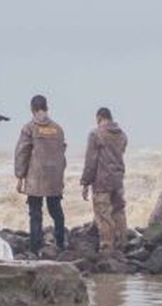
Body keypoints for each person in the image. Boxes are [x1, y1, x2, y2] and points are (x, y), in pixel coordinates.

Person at [14, 94, 68, 255]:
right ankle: (60, 242)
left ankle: (35, 247)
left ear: (32, 109)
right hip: (54, 177)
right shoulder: (58, 129)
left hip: (35, 177)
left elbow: (22, 153)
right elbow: (62, 153)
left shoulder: (29, 128)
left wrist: (19, 176)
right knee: (56, 211)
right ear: (46, 108)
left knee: (35, 213)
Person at [80, 107, 129, 254]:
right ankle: (123, 244)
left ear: (99, 117)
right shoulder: (122, 134)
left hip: (102, 181)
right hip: (118, 179)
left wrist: (85, 182)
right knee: (119, 211)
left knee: (103, 215)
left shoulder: (96, 134)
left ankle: (107, 248)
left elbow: (91, 160)